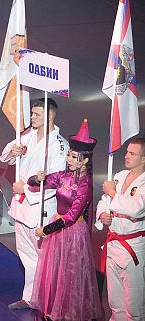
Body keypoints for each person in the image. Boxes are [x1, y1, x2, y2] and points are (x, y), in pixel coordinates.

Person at [29, 119, 103, 321]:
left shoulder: (85, 185)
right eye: (69, 155)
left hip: (72, 231)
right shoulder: (64, 176)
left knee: (69, 274)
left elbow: (71, 216)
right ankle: (53, 309)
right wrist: (37, 178)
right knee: (54, 271)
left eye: (73, 156)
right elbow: (37, 183)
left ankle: (68, 312)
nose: (68, 159)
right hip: (58, 229)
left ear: (85, 161)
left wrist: (46, 229)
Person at [0, 98, 68, 310]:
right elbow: (4, 156)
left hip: (41, 208)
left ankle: (52, 299)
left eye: (37, 114)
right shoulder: (27, 135)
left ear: (50, 116)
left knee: (45, 256)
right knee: (26, 254)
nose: (32, 117)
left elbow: (56, 182)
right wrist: (13, 152)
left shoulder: (59, 145)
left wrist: (27, 189)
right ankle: (31, 297)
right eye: (32, 113)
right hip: (22, 207)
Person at [96, 137, 145, 321]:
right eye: (126, 152)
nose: (126, 156)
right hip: (113, 245)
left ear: (143, 158)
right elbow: (104, 201)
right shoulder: (120, 175)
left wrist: (113, 192)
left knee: (134, 306)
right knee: (116, 303)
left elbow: (137, 208)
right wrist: (103, 214)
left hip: (133, 248)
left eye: (132, 153)